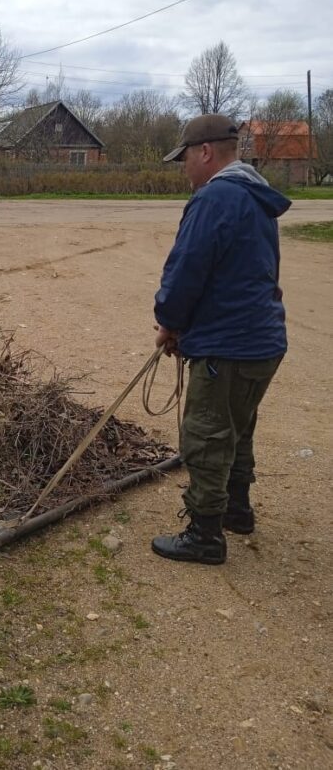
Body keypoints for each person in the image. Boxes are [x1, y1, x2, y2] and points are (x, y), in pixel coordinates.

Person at [151, 114, 290, 565]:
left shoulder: (213, 199)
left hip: (230, 344)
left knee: (207, 434)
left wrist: (169, 322)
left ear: (205, 152)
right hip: (262, 341)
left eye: (185, 158)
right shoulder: (254, 195)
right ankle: (237, 508)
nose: (184, 168)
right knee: (237, 424)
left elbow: (187, 269)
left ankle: (205, 534)